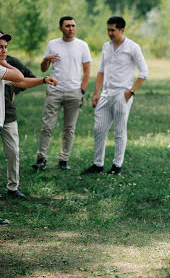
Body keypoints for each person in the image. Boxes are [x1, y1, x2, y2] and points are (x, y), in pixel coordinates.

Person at [82, 16, 148, 176]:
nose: (110, 33)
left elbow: (144, 72)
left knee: (119, 131)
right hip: (105, 93)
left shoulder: (132, 47)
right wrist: (96, 93)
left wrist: (130, 92)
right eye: (108, 30)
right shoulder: (106, 46)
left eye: (113, 30)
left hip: (122, 94)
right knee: (99, 129)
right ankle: (98, 164)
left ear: (122, 30)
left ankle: (117, 166)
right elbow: (101, 71)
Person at [0, 30, 58, 199]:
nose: (4, 50)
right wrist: (5, 63)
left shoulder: (3, 68)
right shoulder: (3, 67)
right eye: (0, 47)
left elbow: (23, 81)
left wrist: (44, 80)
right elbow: (18, 75)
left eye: (5, 47)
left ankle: (13, 188)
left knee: (13, 152)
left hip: (6, 116)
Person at [32, 16, 92, 171]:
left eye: (73, 25)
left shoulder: (82, 45)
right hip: (55, 91)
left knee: (69, 129)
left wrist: (82, 90)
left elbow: (86, 72)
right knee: (47, 126)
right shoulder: (53, 44)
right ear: (60, 28)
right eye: (67, 26)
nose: (71, 29)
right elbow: (44, 69)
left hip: (74, 92)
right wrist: (47, 59)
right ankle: (41, 158)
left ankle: (64, 160)